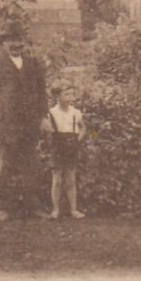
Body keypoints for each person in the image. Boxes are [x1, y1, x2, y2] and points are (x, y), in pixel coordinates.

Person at [0, 27, 49, 220]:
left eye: (20, 40)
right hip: (5, 124)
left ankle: (32, 205)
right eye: (12, 41)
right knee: (4, 165)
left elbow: (42, 91)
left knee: (31, 165)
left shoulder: (32, 63)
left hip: (29, 123)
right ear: (4, 42)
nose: (17, 45)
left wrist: (43, 116)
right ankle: (4, 207)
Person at [43, 81, 87, 220]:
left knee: (70, 179)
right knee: (57, 180)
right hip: (58, 146)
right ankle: (56, 210)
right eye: (66, 94)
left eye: (71, 94)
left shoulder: (76, 112)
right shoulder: (51, 113)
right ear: (57, 97)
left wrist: (77, 139)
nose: (70, 96)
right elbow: (47, 131)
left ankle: (73, 209)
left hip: (71, 146)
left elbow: (83, 128)